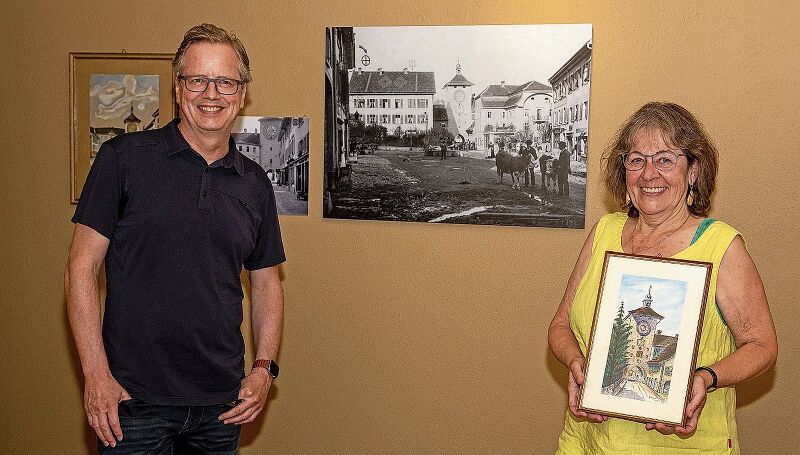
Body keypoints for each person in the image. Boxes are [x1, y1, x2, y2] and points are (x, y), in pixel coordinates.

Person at [65, 23, 286, 454]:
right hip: (129, 402)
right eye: (198, 79)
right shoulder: (122, 159)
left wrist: (263, 369)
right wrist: (95, 375)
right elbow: (81, 269)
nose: (211, 93)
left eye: (225, 81)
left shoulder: (255, 183)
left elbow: (267, 283)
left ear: (242, 93)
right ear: (178, 86)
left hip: (222, 404)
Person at [548, 102, 777, 453]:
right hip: (589, 444)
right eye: (636, 159)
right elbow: (561, 325)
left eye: (665, 160)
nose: (649, 174)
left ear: (693, 171)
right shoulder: (603, 233)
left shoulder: (721, 246)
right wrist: (577, 364)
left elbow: (762, 347)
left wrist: (706, 378)